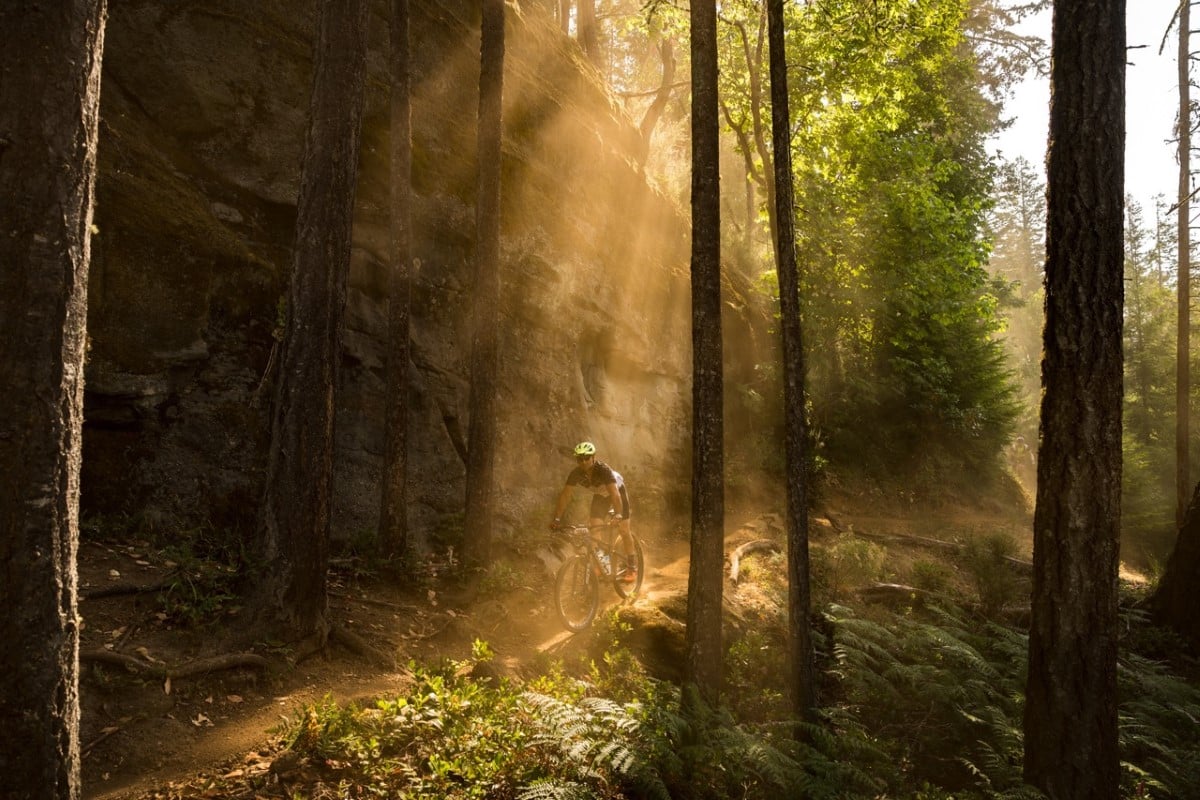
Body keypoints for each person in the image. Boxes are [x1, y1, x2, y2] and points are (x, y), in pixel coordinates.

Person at [550, 441, 637, 582]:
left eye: (586, 457)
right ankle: (605, 566)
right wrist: (557, 519)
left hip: (617, 492)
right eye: (580, 459)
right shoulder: (576, 473)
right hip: (601, 496)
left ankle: (632, 567)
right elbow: (565, 495)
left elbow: (614, 494)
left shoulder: (603, 470)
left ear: (593, 457)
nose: (583, 461)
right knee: (595, 530)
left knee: (624, 530)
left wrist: (618, 514)